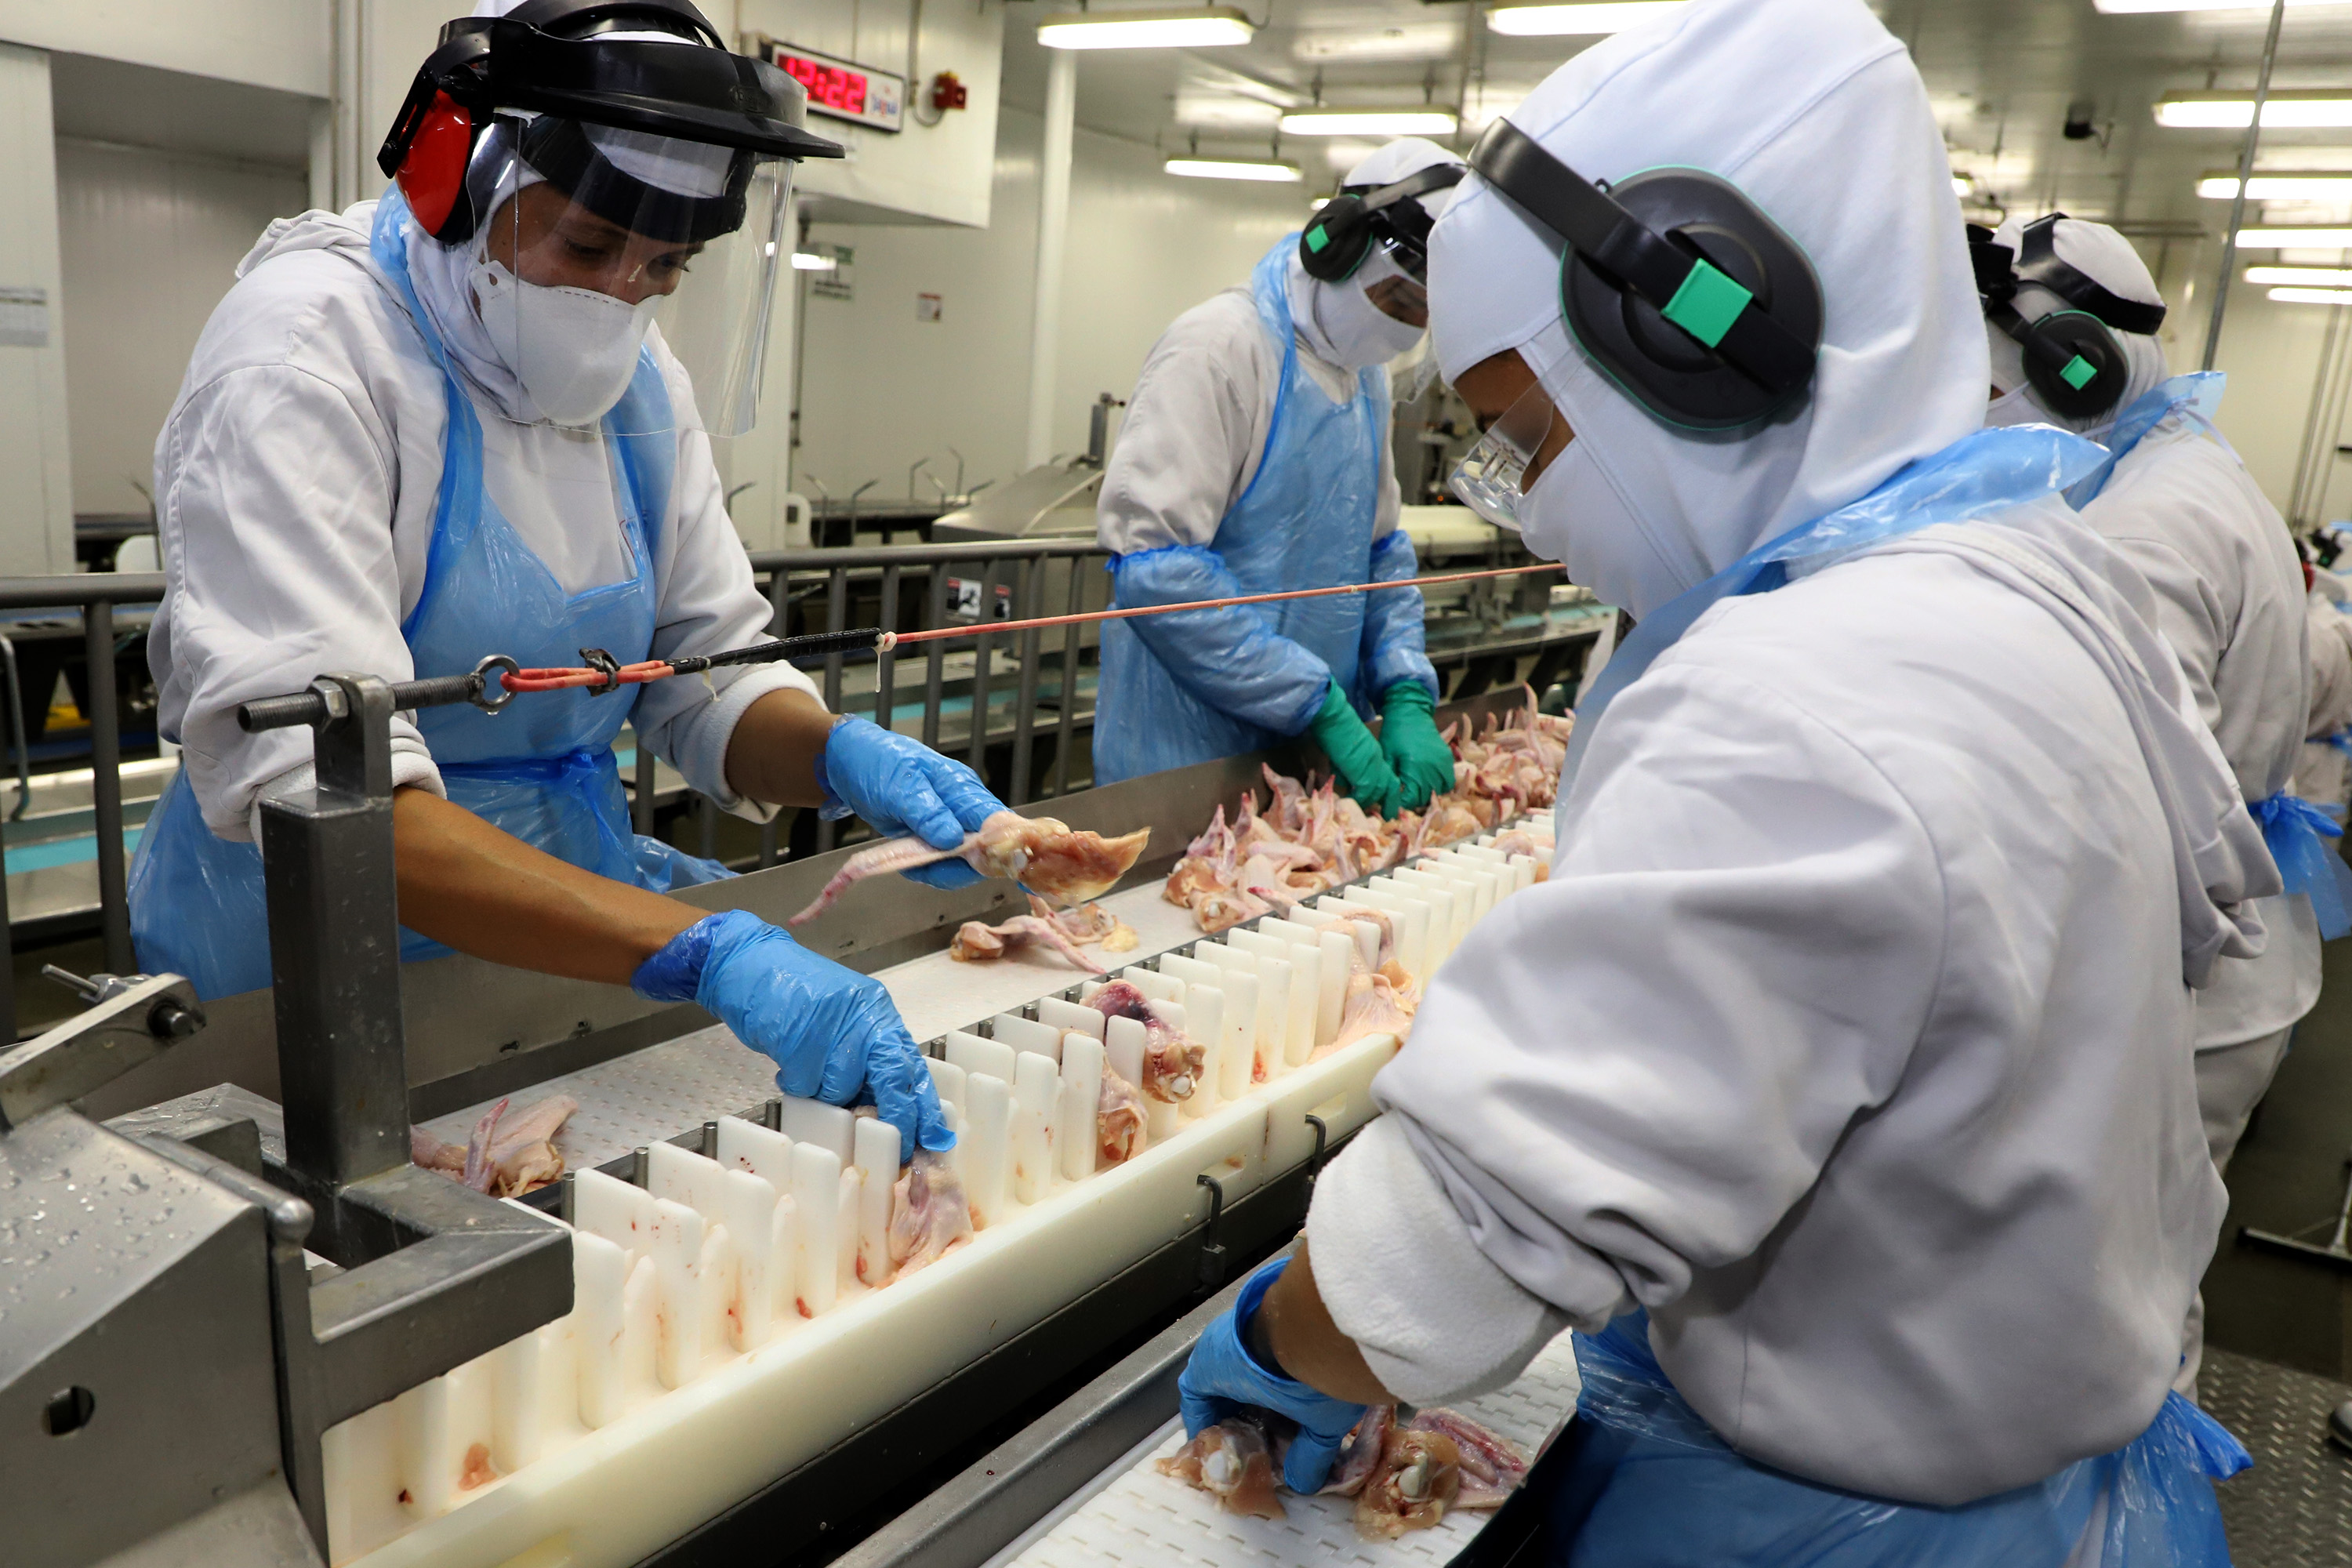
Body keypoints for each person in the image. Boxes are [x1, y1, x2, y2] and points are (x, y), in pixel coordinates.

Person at [1174, 0, 2269, 1559]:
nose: (1524, 504)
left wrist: (1280, 1346)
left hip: (1843, 1525)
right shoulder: (2024, 579)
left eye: (1522, 434)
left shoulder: (1808, 698)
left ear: (1686, 355)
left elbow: (1452, 1255)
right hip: (2043, 1487)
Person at [125, 0, 989, 1156]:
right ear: (459, 179)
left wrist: (838, 754)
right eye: (586, 247)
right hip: (300, 981)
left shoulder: (640, 378)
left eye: (665, 267)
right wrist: (701, 948)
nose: (620, 296)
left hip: (558, 952)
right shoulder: (307, 356)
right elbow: (329, 795)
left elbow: (707, 672)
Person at [1976, 212, 2340, 1402]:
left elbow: (2122, 791)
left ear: (2069, 368)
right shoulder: (2181, 463)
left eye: (1989, 383)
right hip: (2225, 961)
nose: (1980, 413)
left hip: (2179, 979)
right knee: (2145, 1286)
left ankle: (2108, 1485)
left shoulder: (2146, 524)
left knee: (2104, 1312)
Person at [1092, 140, 1461, 813]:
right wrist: (1313, 700)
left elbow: (1380, 552)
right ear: (1338, 246)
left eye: (1425, 314)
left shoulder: (1365, 376)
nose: (1408, 328)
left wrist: (1406, 687)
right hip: (1187, 757)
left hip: (1315, 763)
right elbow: (1157, 572)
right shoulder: (1218, 349)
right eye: (1400, 299)